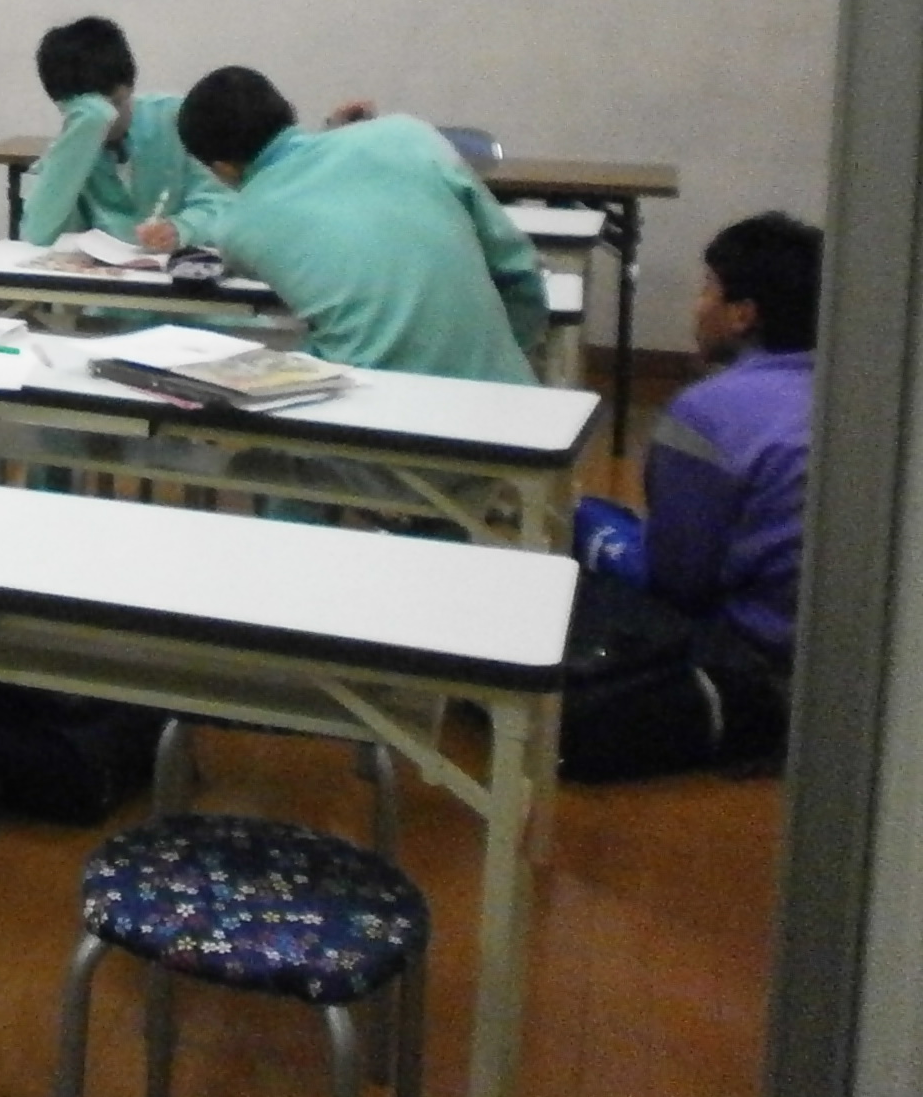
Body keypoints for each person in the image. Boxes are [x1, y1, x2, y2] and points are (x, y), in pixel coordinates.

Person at [565, 212, 816, 778]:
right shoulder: (859, 395)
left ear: (742, 314)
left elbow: (679, 581)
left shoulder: (707, 413)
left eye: (707, 289)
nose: (697, 306)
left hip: (756, 661)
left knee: (578, 522)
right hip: (845, 663)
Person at [175, 66, 546, 383]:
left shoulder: (238, 227)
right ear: (288, 110)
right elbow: (516, 266)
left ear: (222, 168)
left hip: (374, 408)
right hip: (503, 392)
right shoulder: (407, 134)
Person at [20, 16, 229, 251]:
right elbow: (36, 233)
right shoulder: (68, 152)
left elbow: (224, 204)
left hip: (185, 261)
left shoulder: (178, 119)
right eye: (83, 113)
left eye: (115, 103)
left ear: (130, 87)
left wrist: (182, 229)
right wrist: (86, 127)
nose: (108, 120)